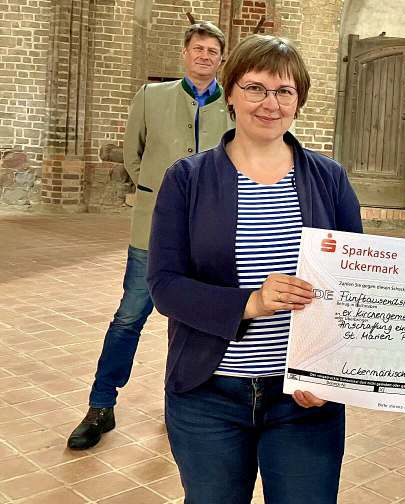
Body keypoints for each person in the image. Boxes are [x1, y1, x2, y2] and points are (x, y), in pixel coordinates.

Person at [146, 34, 362, 503]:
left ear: (299, 100)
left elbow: (355, 290)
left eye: (284, 91)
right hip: (210, 393)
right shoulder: (186, 179)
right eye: (255, 88)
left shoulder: (330, 179)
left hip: (304, 399)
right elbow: (164, 286)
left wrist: (328, 375)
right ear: (231, 92)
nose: (271, 103)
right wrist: (251, 302)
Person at [67, 21, 231, 450]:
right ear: (184, 53)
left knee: (197, 322)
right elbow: (132, 156)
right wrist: (162, 197)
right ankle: (101, 405)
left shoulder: (231, 107)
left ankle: (186, 408)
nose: (204, 56)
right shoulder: (151, 97)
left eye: (213, 51)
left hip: (209, 235)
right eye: (198, 48)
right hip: (154, 230)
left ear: (221, 59)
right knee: (129, 316)